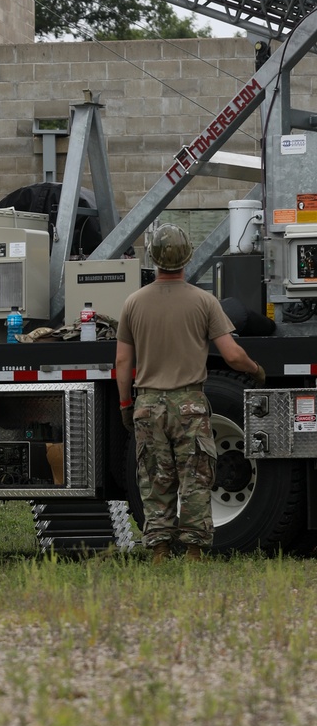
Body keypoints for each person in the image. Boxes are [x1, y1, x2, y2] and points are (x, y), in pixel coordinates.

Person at [115, 224, 264, 563]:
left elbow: (123, 361)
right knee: (195, 478)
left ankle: (159, 549)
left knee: (154, 477)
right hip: (189, 405)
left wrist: (126, 405)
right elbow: (232, 355)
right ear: (187, 258)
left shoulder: (133, 303)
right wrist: (255, 370)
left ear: (152, 258)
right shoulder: (204, 301)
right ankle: (194, 550)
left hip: (148, 405)